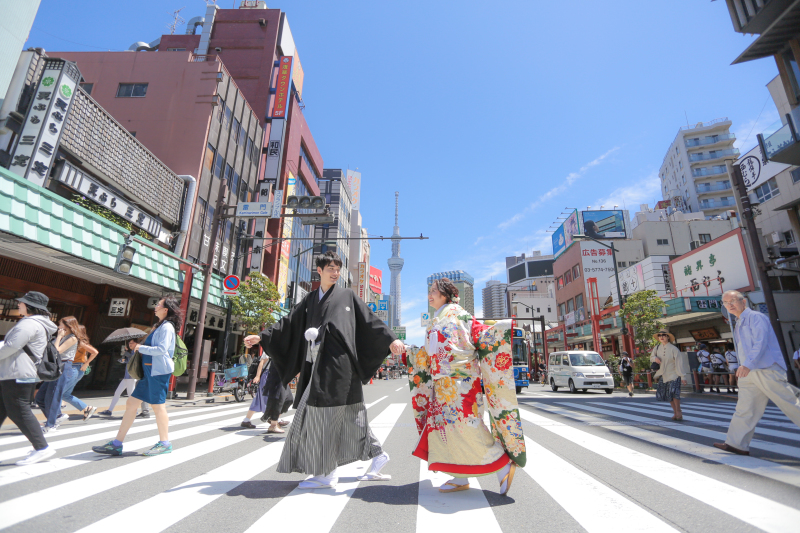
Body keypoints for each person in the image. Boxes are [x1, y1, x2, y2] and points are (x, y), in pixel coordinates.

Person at [243, 251, 404, 489]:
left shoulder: (348, 295)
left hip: (338, 365)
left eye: (338, 269)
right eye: (330, 268)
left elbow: (370, 319)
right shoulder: (309, 299)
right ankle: (377, 455)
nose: (335, 272)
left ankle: (327, 473)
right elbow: (288, 322)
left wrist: (390, 339)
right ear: (319, 270)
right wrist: (262, 337)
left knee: (323, 416)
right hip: (316, 366)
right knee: (351, 416)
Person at [406, 277, 526, 496]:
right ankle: (460, 476)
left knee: (470, 429)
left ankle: (503, 467)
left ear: (444, 294)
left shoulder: (459, 314)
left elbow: (481, 336)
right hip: (445, 386)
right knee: (448, 432)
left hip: (459, 385)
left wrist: (500, 330)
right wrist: (409, 351)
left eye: (433, 291)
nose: (429, 295)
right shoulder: (442, 316)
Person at [92, 296, 181, 457]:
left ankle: (165, 443)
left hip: (158, 372)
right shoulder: (159, 326)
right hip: (149, 371)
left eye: (159, 305)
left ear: (165, 309)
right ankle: (117, 443)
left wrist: (141, 347)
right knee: (132, 402)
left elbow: (162, 350)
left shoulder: (167, 327)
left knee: (157, 406)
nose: (156, 307)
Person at [713, 290, 800, 456]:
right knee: (745, 408)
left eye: (733, 300)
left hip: (765, 368)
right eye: (726, 302)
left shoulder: (756, 317)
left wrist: (747, 364)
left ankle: (736, 443)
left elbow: (760, 342)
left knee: (790, 403)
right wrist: (745, 366)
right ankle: (736, 444)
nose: (730, 304)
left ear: (743, 301)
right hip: (748, 372)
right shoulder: (738, 322)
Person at [0, 292, 58, 465]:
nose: (19, 304)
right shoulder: (37, 324)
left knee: (19, 410)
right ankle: (41, 447)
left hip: (18, 373)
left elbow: (12, 346)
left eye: (22, 303)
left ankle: (42, 448)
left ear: (31, 306)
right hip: (16, 372)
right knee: (4, 408)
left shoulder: (30, 323)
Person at [57, 319, 100, 422]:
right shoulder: (74, 340)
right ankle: (87, 408)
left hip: (74, 368)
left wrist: (86, 364)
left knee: (58, 393)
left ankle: (56, 416)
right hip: (75, 369)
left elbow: (94, 352)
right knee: (64, 395)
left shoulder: (79, 342)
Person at [99, 345, 151, 418]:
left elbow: (134, 360)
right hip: (126, 377)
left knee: (131, 395)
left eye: (132, 343)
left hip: (131, 377)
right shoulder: (130, 352)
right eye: (129, 343)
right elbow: (125, 361)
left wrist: (127, 354)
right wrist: (123, 356)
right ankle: (109, 410)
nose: (130, 345)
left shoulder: (137, 352)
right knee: (117, 393)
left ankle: (135, 411)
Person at [651, 329, 689, 421]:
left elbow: (679, 363)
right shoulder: (656, 348)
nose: (661, 337)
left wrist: (683, 376)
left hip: (674, 374)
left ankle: (679, 410)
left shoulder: (674, 349)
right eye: (659, 335)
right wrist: (655, 358)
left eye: (663, 335)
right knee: (668, 395)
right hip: (663, 375)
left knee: (674, 392)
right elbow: (651, 357)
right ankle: (675, 412)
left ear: (668, 337)